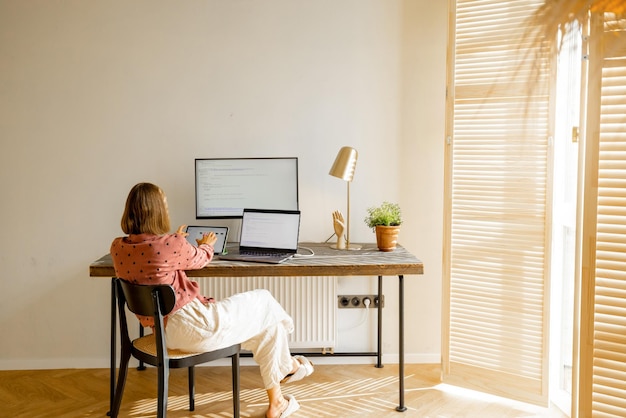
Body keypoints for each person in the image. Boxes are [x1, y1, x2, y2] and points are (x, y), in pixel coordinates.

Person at [110, 182, 313, 418]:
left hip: (162, 334)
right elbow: (200, 258)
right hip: (195, 327)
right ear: (157, 212)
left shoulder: (118, 247)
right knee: (265, 300)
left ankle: (277, 401)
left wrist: (176, 241)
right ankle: (288, 365)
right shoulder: (170, 245)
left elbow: (152, 262)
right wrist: (205, 244)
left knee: (267, 327)